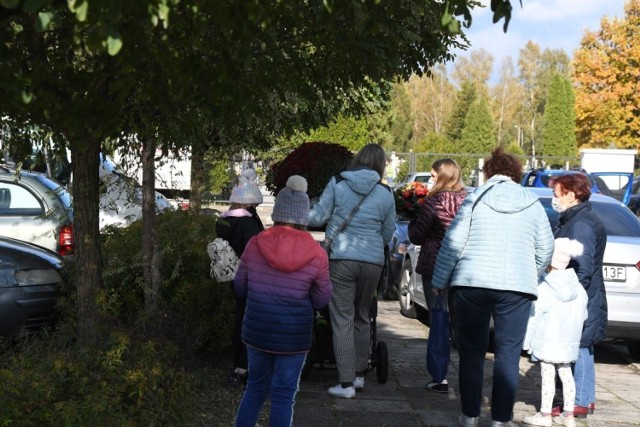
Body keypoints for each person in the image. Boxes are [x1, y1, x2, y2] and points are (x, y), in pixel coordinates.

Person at [431, 146, 555, 427]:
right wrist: (531, 274)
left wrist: (440, 280)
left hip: (471, 284)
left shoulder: (474, 198)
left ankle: (469, 415)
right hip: (516, 290)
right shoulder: (532, 202)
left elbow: (453, 243)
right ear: (516, 173)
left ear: (488, 172)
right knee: (509, 355)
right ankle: (501, 419)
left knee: (472, 353)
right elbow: (546, 247)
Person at [233, 175, 332, 427]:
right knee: (283, 396)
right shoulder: (317, 254)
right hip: (293, 336)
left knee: (254, 389)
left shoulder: (255, 243)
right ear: (303, 216)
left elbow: (240, 287)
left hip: (257, 330)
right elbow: (322, 298)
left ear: (277, 212)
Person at [308, 143, 396, 399]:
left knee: (341, 318)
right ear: (380, 165)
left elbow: (318, 216)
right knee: (362, 316)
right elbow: (388, 232)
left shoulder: (338, 182)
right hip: (372, 263)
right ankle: (358, 375)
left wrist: (298, 209)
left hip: (341, 258)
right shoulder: (386, 193)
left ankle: (345, 383)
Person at [549, 173, 607, 419]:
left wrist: (569, 296)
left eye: (556, 193)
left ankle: (580, 402)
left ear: (571, 195)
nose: (554, 198)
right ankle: (586, 398)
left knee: (580, 346)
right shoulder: (577, 219)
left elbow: (582, 267)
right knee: (584, 345)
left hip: (580, 295)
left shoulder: (581, 224)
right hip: (587, 294)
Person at [407, 158, 467, 394]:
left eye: (432, 176)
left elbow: (418, 236)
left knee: (438, 320)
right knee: (461, 321)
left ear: (441, 177)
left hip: (435, 265)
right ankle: (467, 373)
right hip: (462, 268)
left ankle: (439, 376)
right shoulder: (468, 201)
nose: (430, 180)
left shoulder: (433, 202)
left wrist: (412, 218)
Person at [523, 238, 589, 427]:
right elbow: (583, 314)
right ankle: (568, 416)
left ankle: (544, 414)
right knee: (567, 375)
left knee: (547, 376)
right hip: (569, 341)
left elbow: (534, 317)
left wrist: (526, 342)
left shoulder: (544, 287)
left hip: (547, 340)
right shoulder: (578, 287)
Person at [216, 168, 265, 386]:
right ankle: (245, 366)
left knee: (240, 319)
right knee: (250, 321)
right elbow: (256, 249)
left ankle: (239, 365)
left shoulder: (224, 221)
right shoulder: (248, 223)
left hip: (232, 273)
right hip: (250, 275)